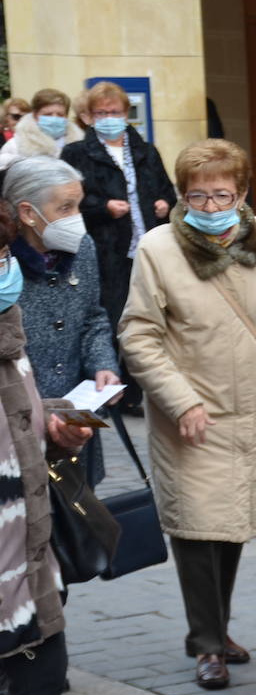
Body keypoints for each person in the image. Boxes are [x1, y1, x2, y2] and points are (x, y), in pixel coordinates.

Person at [118, 139, 256, 691]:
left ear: (242, 193)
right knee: (197, 528)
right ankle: (205, 642)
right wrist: (181, 401)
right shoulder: (157, 249)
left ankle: (216, 630)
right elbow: (139, 333)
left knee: (231, 526)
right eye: (196, 196)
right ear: (180, 196)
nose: (208, 206)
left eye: (221, 194)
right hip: (192, 415)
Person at [0, 199, 112, 695]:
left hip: (24, 550)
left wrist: (51, 417)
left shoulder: (5, 322)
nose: (6, 269)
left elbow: (17, 402)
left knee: (44, 671)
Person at [60, 80, 176, 417]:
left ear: (126, 114)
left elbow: (168, 190)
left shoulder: (145, 151)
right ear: (90, 117)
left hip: (146, 248)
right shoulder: (78, 154)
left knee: (147, 322)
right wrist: (103, 207)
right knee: (108, 323)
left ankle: (134, 394)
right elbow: (72, 201)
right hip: (106, 251)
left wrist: (162, 203)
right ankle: (106, 391)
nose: (109, 117)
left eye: (114, 112)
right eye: (101, 113)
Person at [5, 158, 121, 488]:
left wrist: (103, 364)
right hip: (19, 429)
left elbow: (93, 316)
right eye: (65, 208)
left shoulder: (82, 248)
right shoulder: (6, 269)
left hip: (74, 425)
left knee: (80, 522)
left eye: (78, 206)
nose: (77, 220)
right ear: (28, 213)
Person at [0, 89, 83, 172]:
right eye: (48, 114)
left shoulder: (79, 144)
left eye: (60, 114)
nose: (54, 118)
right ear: (35, 116)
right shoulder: (16, 145)